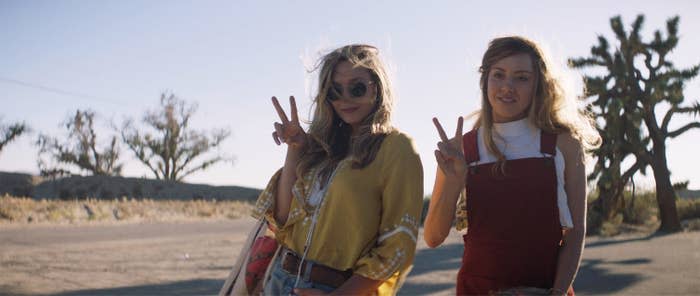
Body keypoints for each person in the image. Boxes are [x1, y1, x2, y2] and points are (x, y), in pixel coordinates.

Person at [423, 36, 601, 295]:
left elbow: (575, 234)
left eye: (521, 77)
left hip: (546, 290)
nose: (508, 86)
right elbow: (433, 237)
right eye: (499, 75)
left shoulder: (563, 144)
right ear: (485, 81)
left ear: (538, 85)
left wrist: (557, 292)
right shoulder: (460, 150)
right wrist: (454, 180)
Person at [252, 44, 423, 295]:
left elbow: (398, 243)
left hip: (335, 288)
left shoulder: (396, 148)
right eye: (335, 91)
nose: (345, 99)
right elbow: (283, 216)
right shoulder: (321, 147)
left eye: (357, 88)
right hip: (279, 280)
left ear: (377, 88)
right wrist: (296, 148)